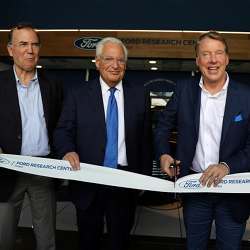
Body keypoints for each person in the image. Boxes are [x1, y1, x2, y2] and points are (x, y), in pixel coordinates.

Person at [53, 37, 152, 250]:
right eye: (109, 59)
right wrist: (67, 150)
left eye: (120, 60)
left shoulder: (140, 94)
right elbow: (63, 130)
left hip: (125, 182)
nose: (115, 65)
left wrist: (144, 177)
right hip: (88, 181)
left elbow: (145, 139)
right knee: (88, 241)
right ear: (97, 62)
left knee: (120, 241)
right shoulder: (78, 94)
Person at [154, 31, 250, 250]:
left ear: (227, 58)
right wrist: (164, 153)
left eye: (218, 53)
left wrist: (227, 166)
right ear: (197, 61)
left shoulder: (246, 96)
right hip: (195, 189)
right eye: (205, 54)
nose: (213, 60)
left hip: (233, 191)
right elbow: (163, 126)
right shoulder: (184, 90)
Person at [0, 23, 62, 250]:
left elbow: (61, 126)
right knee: (2, 238)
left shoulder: (53, 85)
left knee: (46, 240)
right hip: (6, 171)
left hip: (43, 170)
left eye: (35, 44)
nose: (30, 50)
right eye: (23, 44)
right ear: (10, 50)